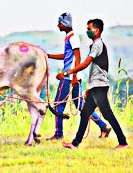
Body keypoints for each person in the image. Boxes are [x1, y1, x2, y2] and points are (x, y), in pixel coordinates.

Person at [61, 18, 128, 150]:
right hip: (95, 87)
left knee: (108, 114)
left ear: (96, 31)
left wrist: (66, 73)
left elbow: (85, 64)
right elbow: (94, 69)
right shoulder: (95, 45)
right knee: (85, 114)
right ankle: (75, 144)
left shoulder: (98, 44)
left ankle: (123, 142)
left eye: (89, 29)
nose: (87, 31)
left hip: (99, 87)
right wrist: (89, 88)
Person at [46, 13, 111, 141]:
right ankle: (103, 126)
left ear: (65, 24)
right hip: (73, 77)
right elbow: (67, 55)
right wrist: (48, 56)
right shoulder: (70, 37)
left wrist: (73, 75)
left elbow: (77, 57)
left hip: (69, 77)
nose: (58, 25)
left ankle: (58, 134)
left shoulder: (73, 37)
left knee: (58, 103)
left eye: (59, 23)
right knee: (81, 105)